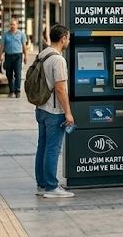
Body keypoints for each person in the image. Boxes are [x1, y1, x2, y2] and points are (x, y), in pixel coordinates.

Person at [34, 25, 73, 198]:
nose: (69, 41)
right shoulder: (58, 60)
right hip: (54, 111)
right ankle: (51, 187)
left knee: (42, 147)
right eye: (68, 38)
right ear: (63, 38)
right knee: (52, 149)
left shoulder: (43, 54)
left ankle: (42, 184)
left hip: (41, 108)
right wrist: (68, 113)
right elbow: (60, 89)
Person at [0, 18, 30, 98]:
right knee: (9, 74)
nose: (12, 26)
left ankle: (18, 91)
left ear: (17, 25)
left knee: (18, 74)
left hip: (18, 56)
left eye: (14, 24)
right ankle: (11, 90)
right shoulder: (5, 34)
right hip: (8, 56)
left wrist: (25, 56)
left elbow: (24, 46)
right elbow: (2, 45)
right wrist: (0, 55)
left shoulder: (21, 34)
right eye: (11, 24)